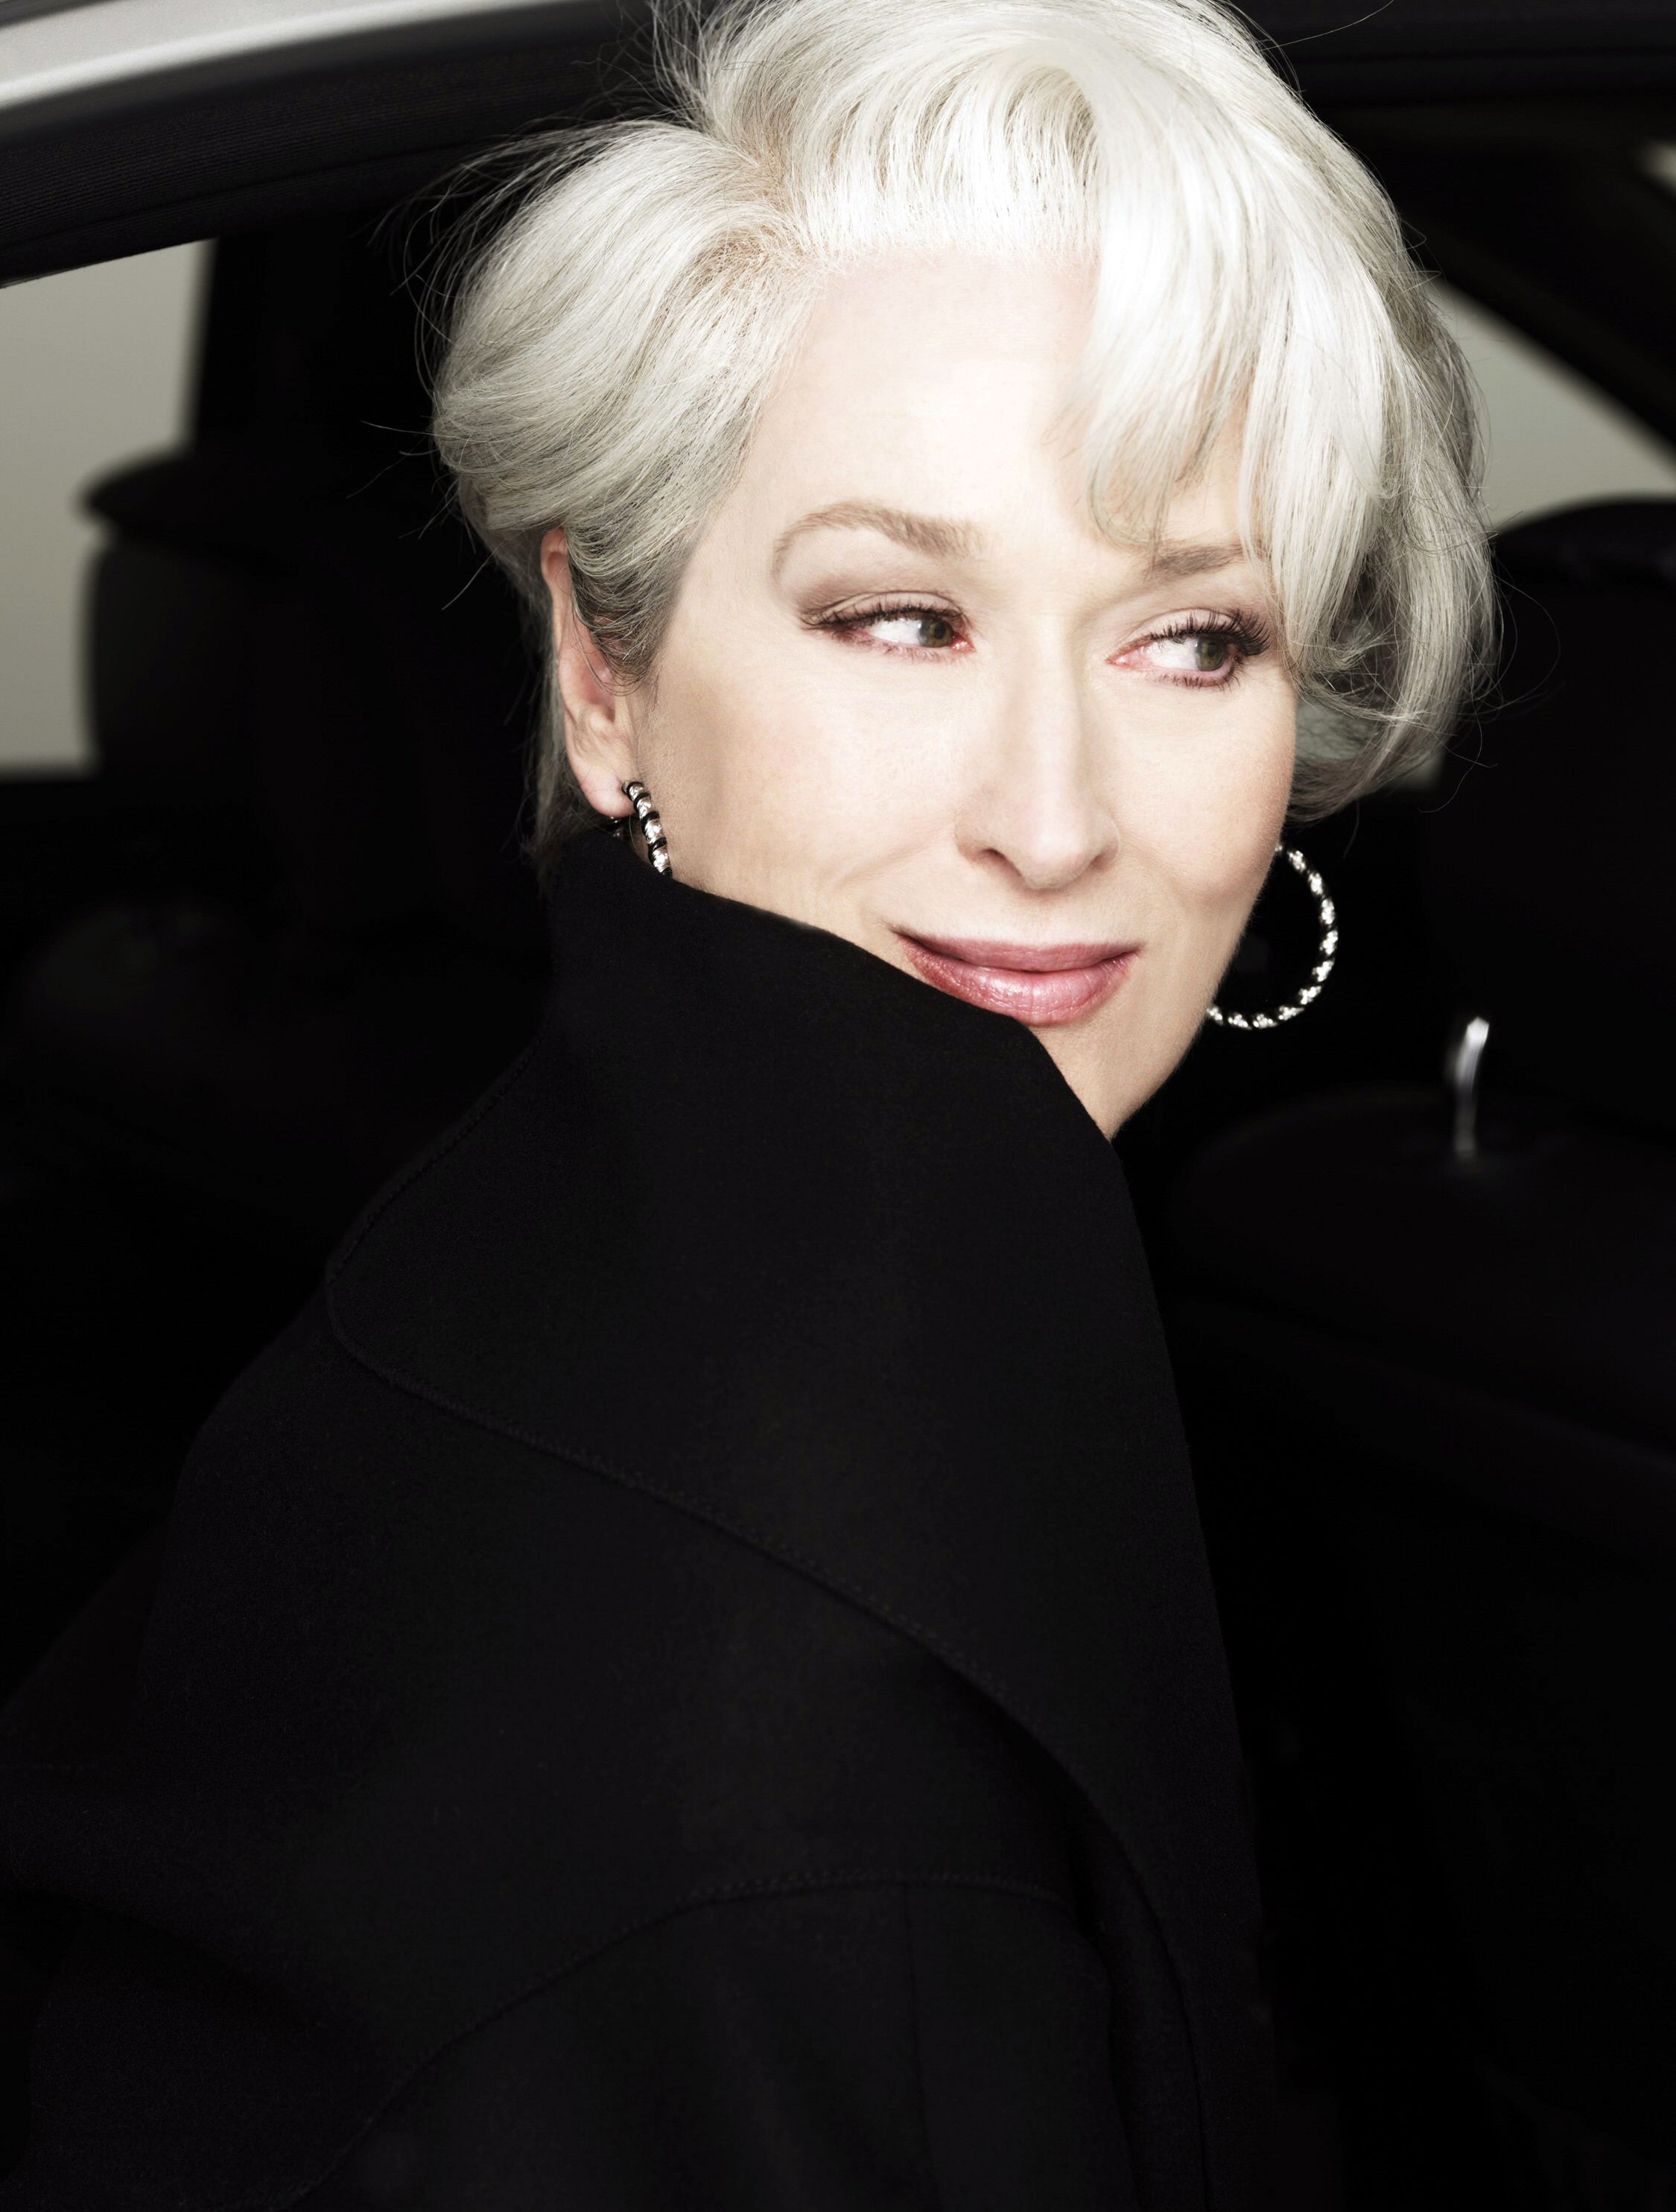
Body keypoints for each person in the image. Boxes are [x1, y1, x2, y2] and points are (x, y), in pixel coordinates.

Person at [0, 0, 1488, 2204]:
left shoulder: (550, 1253)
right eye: (901, 619)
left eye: (1192, 639)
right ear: (603, 669)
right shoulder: (811, 1777)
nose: (1056, 818)